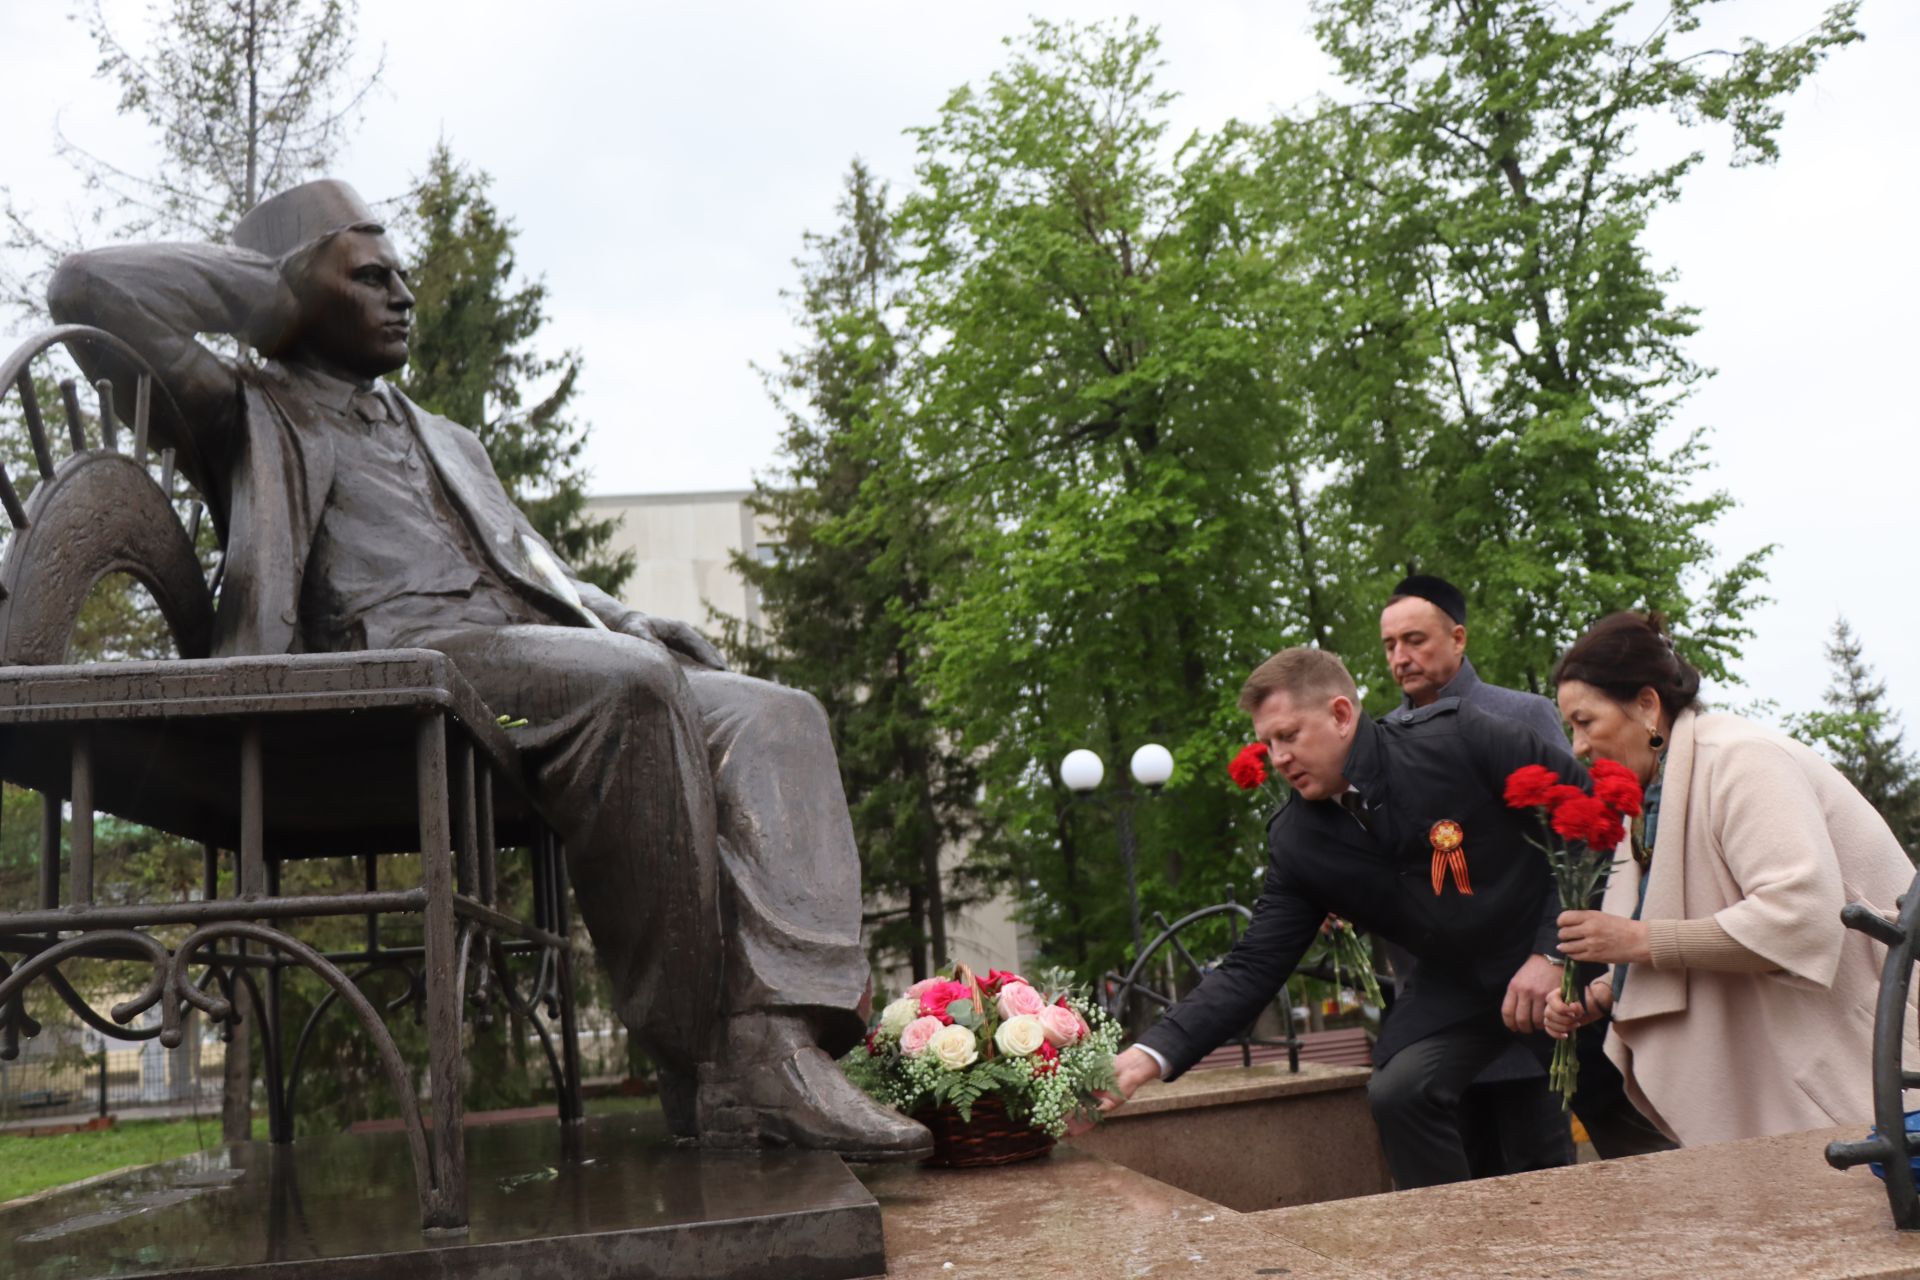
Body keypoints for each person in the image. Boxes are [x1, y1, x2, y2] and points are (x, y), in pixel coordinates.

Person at [47, 179, 930, 1159]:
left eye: (403, 275)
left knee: (777, 713)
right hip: (395, 686)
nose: (401, 294)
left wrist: (627, 614)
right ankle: (706, 1057)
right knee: (628, 690)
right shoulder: (245, 411)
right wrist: (263, 288)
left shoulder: (450, 440)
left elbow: (531, 566)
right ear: (297, 293)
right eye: (369, 275)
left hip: (528, 686)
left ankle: (773, 1040)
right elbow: (88, 288)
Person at [1087, 646, 1583, 1189]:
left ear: (1342, 715)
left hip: (1560, 955)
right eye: (1268, 743)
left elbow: (1586, 813)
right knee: (1399, 1093)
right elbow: (1252, 967)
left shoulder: (1459, 737)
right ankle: (1454, 1245)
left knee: (1617, 1102)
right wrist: (1141, 1060)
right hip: (1456, 987)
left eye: (1289, 735)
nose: (1277, 757)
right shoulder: (1297, 841)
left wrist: (1552, 951)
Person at [1544, 612, 1920, 1146]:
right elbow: (1673, 913)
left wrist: (1638, 942)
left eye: (1586, 721)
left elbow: (1799, 917)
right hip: (1798, 1049)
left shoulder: (1741, 760)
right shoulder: (1652, 795)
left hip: (1857, 1052)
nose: (1578, 745)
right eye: (1570, 728)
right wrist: (1603, 994)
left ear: (1647, 706)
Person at [1380, 573, 1574, 1174]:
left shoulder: (1524, 715)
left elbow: (1573, 847)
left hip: (1526, 1007)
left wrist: (1553, 954)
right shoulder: (1381, 740)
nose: (1400, 657)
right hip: (1432, 1011)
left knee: (1547, 1196)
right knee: (1457, 1207)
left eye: (1415, 639)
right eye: (1389, 645)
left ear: (1458, 638)